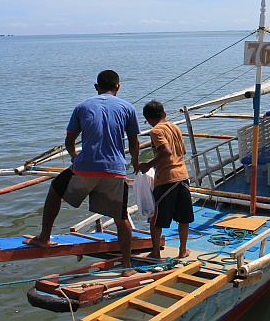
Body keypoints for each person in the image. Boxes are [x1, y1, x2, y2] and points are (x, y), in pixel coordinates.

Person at [24, 70, 141, 277]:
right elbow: (134, 143)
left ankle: (44, 238)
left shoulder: (82, 106)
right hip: (116, 170)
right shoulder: (128, 108)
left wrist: (74, 156)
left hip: (85, 167)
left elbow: (70, 141)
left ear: (96, 87)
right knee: (120, 216)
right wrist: (135, 162)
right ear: (118, 87)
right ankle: (126, 266)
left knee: (55, 190)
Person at [135, 100, 194, 259]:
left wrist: (148, 165)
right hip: (183, 176)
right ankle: (182, 250)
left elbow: (166, 152)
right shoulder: (175, 127)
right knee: (183, 217)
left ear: (148, 120)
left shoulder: (155, 131)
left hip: (166, 179)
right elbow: (181, 151)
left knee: (156, 219)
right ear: (165, 114)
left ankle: (155, 253)